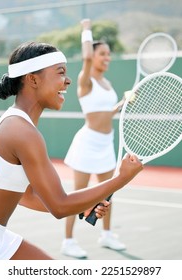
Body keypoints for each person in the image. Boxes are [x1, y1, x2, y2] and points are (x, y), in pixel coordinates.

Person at [0, 41, 143, 260]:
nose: (67, 80)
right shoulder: (22, 131)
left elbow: (27, 196)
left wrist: (81, 207)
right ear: (33, 79)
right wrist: (121, 178)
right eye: (60, 73)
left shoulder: (21, 125)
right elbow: (59, 205)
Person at [62, 19, 127, 259]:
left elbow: (105, 114)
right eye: (102, 54)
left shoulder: (107, 84)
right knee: (77, 196)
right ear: (93, 55)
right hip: (87, 144)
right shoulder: (85, 80)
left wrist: (122, 104)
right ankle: (68, 241)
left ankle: (107, 235)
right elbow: (86, 59)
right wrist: (86, 30)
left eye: (109, 54)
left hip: (106, 144)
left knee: (107, 194)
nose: (107, 58)